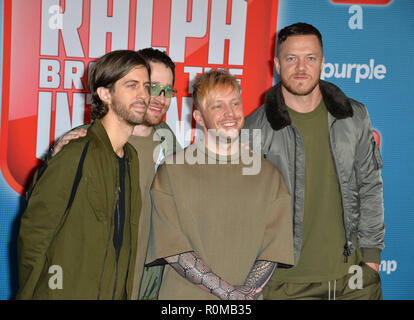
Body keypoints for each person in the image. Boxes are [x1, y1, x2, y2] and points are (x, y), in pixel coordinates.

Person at [244, 22, 385, 300]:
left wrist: (371, 260)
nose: (300, 68)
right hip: (283, 283)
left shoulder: (354, 117)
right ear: (276, 64)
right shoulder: (254, 129)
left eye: (310, 58)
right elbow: (246, 210)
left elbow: (370, 187)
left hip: (352, 279)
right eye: (291, 58)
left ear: (323, 62)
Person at [36, 48, 181, 299]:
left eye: (167, 90)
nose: (159, 97)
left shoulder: (171, 145)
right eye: (150, 86)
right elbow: (40, 225)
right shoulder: (83, 142)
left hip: (143, 284)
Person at [144, 69, 294, 300]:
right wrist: (230, 294)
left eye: (235, 103)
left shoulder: (269, 176)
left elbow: (274, 249)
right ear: (199, 117)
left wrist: (244, 294)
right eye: (217, 106)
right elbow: (172, 250)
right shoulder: (172, 171)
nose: (229, 114)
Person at [17, 50, 151, 299]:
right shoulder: (76, 153)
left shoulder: (131, 158)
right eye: (131, 85)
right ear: (105, 94)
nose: (143, 94)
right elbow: (34, 235)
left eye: (146, 86)